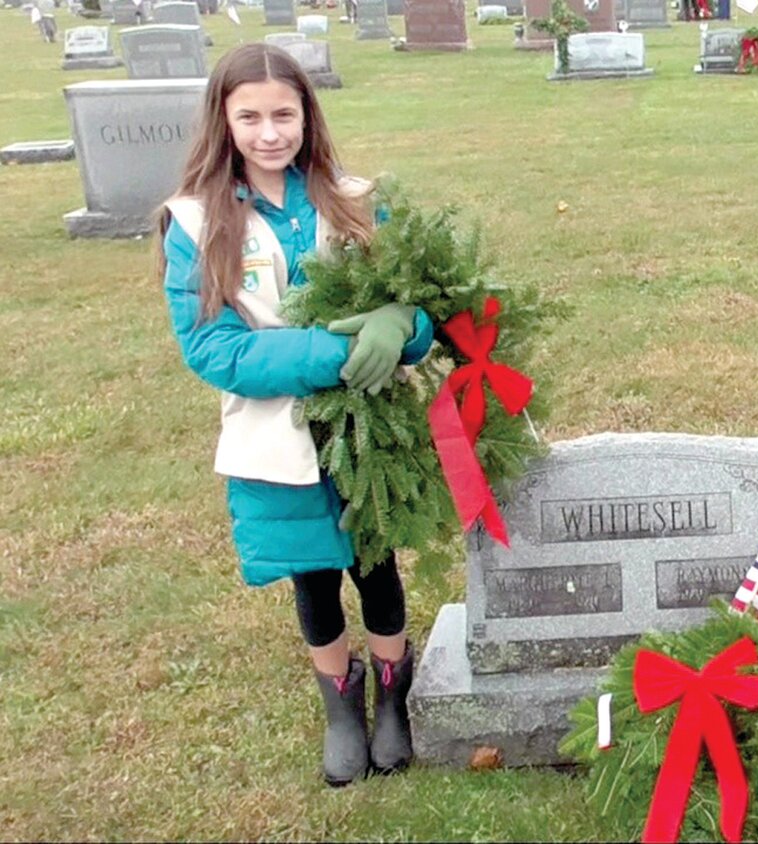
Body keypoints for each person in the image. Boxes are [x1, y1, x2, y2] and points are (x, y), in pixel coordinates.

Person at [156, 44, 435, 786]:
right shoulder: (196, 221)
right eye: (250, 116)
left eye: (285, 114)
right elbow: (214, 348)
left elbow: (418, 298)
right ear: (223, 121)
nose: (270, 132)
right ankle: (340, 704)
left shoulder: (351, 196)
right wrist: (330, 354)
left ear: (308, 116)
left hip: (368, 432)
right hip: (275, 436)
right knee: (312, 575)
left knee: (378, 569)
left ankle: (391, 697)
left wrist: (403, 326)